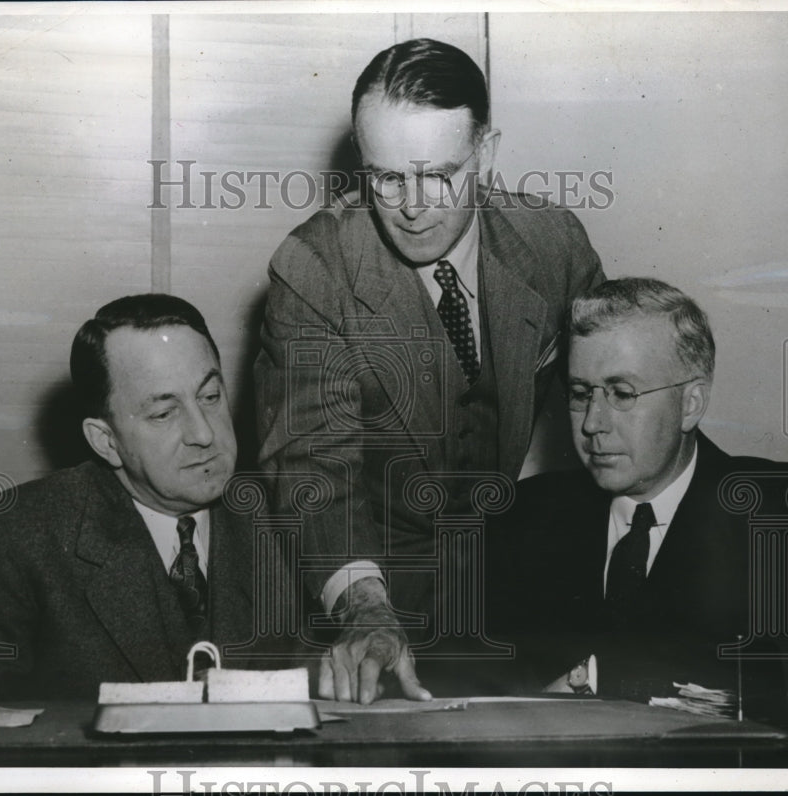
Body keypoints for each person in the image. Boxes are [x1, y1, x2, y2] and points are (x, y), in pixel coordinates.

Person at [254, 37, 603, 703]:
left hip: (522, 596)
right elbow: (311, 473)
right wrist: (368, 613)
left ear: (487, 153)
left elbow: (614, 400)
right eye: (386, 178)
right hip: (373, 608)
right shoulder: (312, 270)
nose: (413, 207)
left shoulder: (553, 244)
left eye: (440, 174)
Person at [491, 277, 788, 734]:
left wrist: (595, 675)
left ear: (692, 403)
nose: (591, 423)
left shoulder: (782, 512)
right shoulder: (526, 515)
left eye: (622, 394)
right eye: (581, 393)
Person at [0, 294, 288, 700]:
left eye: (210, 397)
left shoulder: (288, 513)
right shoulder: (11, 537)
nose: (204, 434)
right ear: (105, 441)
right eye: (163, 414)